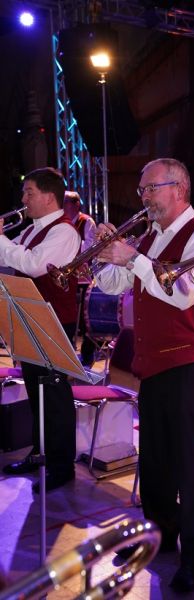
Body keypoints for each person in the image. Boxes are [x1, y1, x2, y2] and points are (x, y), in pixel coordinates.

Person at [94, 158, 194, 592]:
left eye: (151, 188)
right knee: (154, 460)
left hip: (189, 363)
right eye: (142, 190)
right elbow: (114, 286)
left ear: (179, 189)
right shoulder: (152, 235)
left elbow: (184, 295)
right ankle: (160, 536)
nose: (144, 196)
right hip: (154, 362)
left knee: (188, 463)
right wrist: (107, 254)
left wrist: (134, 258)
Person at [0, 167, 81, 493]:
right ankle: (40, 453)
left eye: (29, 192)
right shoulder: (33, 230)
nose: (23, 199)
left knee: (55, 395)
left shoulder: (64, 232)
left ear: (48, 197)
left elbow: (33, 264)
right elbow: (11, 260)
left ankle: (61, 466)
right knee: (36, 391)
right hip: (31, 316)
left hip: (54, 320)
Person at [63, 190, 97, 366]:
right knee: (66, 316)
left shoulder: (86, 221)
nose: (63, 207)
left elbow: (90, 247)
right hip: (67, 278)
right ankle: (66, 354)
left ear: (76, 204)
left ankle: (87, 355)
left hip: (83, 278)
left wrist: (68, 241)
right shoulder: (62, 223)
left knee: (85, 320)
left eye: (66, 203)